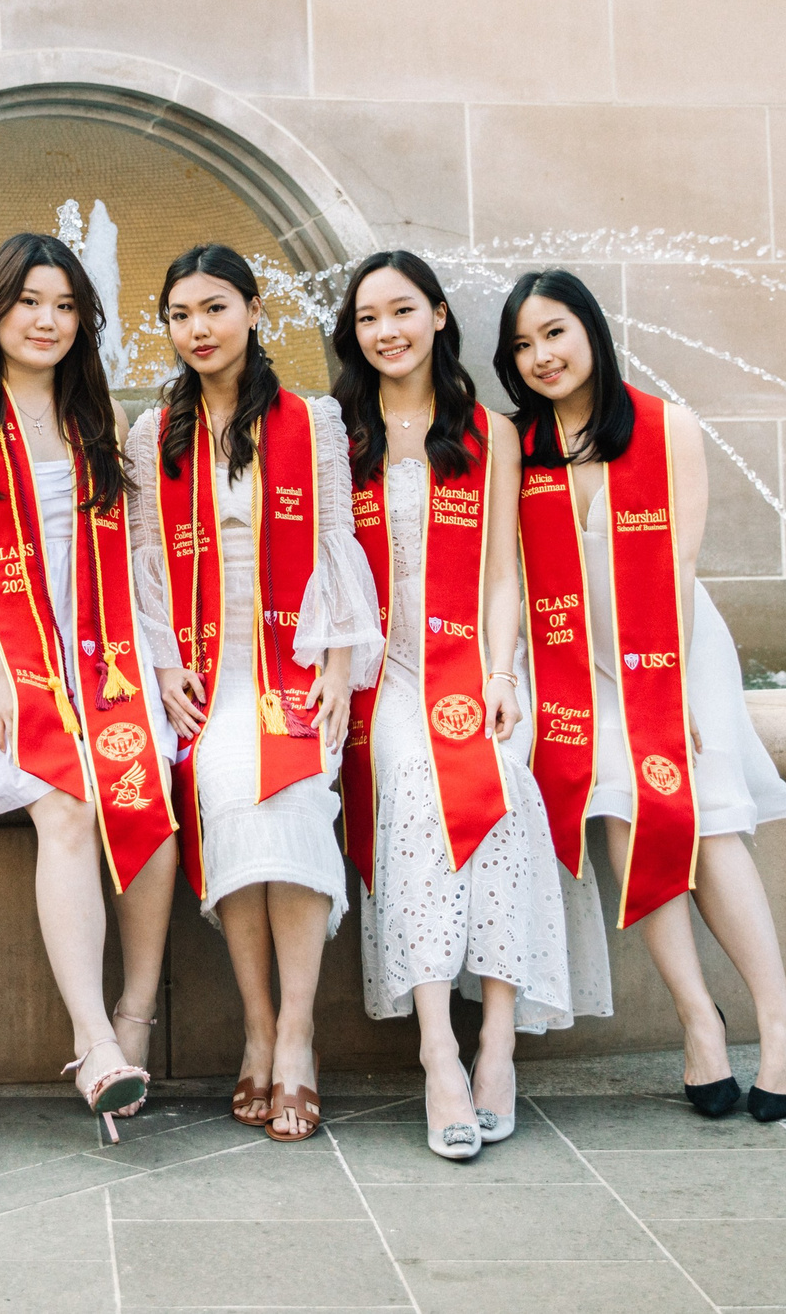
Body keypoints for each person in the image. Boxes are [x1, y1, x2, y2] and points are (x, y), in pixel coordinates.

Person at [499, 268, 786, 1122]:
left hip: (669, 647)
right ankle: (698, 1023)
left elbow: (676, 562)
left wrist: (666, 695)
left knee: (705, 818)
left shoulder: (667, 428)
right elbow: (511, 578)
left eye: (554, 332)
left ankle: (780, 1022)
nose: (541, 356)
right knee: (626, 814)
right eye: (522, 344)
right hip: (572, 659)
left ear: (590, 329)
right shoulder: (516, 448)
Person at [332, 253, 610, 1162]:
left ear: (440, 315)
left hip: (472, 665)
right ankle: (436, 1051)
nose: (387, 331)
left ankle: (496, 1040)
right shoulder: (338, 436)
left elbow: (503, 575)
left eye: (403, 310)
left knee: (502, 786)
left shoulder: (489, 434)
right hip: (383, 671)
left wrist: (498, 674)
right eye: (369, 317)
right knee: (414, 782)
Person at [0, 232, 179, 1144]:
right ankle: (95, 1039)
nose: (48, 320)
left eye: (66, 305)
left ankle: (133, 1016)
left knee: (145, 778)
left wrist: (165, 657)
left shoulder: (93, 417)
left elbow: (138, 554)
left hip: (97, 638)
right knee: (68, 798)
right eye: (30, 300)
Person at [125, 246, 377, 1143]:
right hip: (206, 665)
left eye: (215, 308)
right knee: (228, 781)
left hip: (292, 659)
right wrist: (162, 667)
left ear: (255, 309)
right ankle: (257, 1021)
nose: (198, 329)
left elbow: (340, 545)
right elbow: (143, 563)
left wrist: (340, 673)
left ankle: (297, 1033)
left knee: (300, 789)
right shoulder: (155, 435)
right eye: (181, 314)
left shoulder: (312, 421)